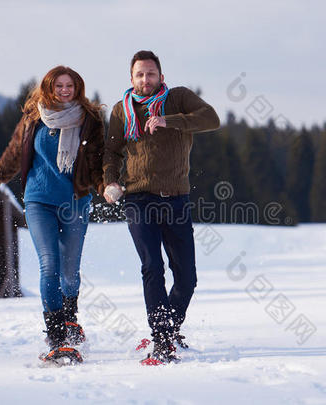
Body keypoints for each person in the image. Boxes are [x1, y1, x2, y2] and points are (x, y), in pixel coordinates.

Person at [0, 66, 105, 364]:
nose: (65, 90)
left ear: (78, 87)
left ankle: (70, 317)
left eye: (70, 85)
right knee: (50, 265)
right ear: (48, 87)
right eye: (59, 85)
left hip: (75, 202)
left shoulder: (89, 119)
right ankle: (57, 338)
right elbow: (15, 152)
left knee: (70, 272)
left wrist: (106, 186)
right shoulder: (35, 115)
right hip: (39, 201)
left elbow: (97, 162)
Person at [103, 50, 220, 365]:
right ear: (131, 79)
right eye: (140, 74)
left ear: (161, 76)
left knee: (187, 278)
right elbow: (111, 152)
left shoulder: (179, 98)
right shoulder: (121, 111)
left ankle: (168, 329)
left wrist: (169, 121)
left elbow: (211, 119)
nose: (145, 79)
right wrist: (110, 181)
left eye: (151, 73)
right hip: (138, 199)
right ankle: (162, 340)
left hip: (176, 198)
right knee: (152, 267)